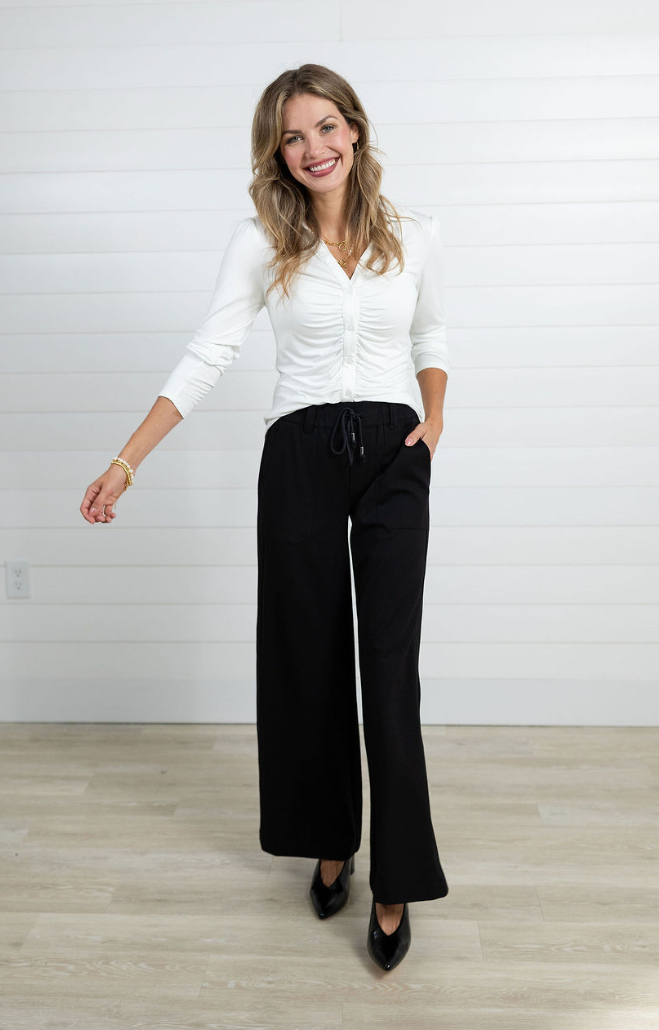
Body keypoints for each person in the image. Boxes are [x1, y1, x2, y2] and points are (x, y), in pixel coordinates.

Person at [80, 63, 450, 972]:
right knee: (306, 657)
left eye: (326, 127)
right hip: (297, 457)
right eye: (293, 136)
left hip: (396, 458)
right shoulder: (260, 243)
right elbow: (208, 353)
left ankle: (397, 879)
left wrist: (434, 424)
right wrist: (126, 462)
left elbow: (430, 337)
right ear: (278, 154)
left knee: (389, 670)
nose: (313, 148)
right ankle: (332, 841)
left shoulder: (416, 235)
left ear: (354, 132)